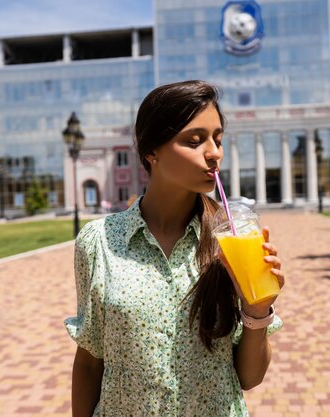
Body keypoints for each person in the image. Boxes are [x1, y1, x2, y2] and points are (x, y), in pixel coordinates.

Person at [65, 80, 284, 417]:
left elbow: (250, 378)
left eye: (218, 139)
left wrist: (257, 310)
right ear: (152, 152)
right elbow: (90, 361)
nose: (213, 152)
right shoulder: (99, 242)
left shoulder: (233, 240)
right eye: (194, 141)